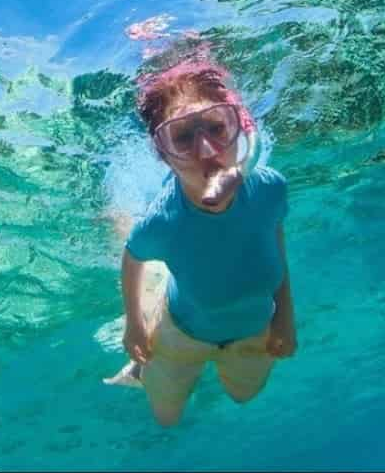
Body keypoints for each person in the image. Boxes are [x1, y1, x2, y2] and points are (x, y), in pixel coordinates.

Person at [104, 51, 296, 427]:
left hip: (254, 329)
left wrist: (286, 317)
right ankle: (150, 316)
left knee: (245, 396)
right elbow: (132, 257)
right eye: (184, 137)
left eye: (215, 127)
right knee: (166, 418)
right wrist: (134, 326)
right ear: (164, 154)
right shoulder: (162, 221)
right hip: (180, 335)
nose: (206, 151)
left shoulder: (270, 187)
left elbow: (274, 238)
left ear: (238, 128)